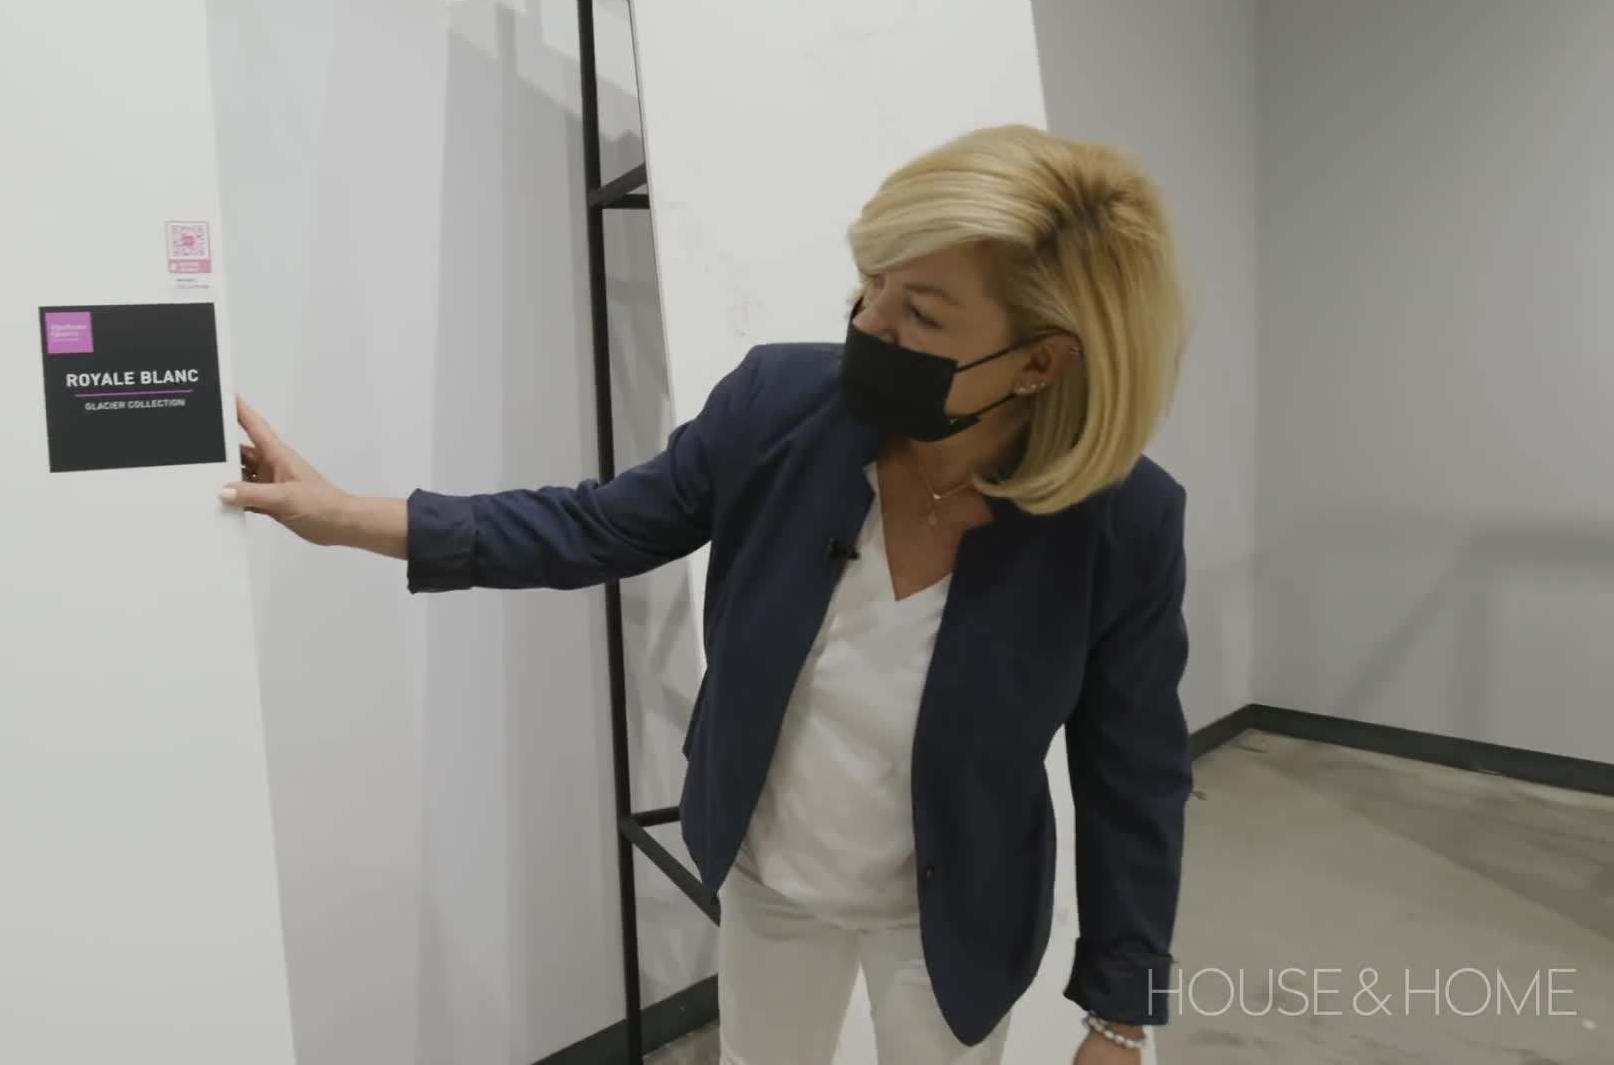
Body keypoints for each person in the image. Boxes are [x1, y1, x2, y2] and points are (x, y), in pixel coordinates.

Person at [220, 123, 1191, 1065]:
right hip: (769, 872)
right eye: (871, 284)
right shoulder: (779, 408)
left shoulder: (1122, 523)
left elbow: (1134, 774)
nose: (869, 326)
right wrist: (344, 514)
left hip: (960, 902)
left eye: (922, 314)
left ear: (1041, 360)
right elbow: (591, 526)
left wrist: (1121, 1018)